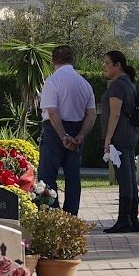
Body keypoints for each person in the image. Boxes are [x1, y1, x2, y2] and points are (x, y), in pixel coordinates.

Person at [37, 45, 96, 216]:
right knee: (73, 177)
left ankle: (51, 214)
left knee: (47, 176)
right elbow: (91, 114)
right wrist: (80, 136)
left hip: (55, 130)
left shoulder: (52, 81)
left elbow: (53, 112)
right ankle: (71, 216)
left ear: (53, 60)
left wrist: (63, 136)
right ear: (73, 59)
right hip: (77, 128)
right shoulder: (84, 83)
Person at [100, 50, 139, 234]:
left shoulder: (117, 85)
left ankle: (125, 220)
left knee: (124, 177)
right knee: (129, 176)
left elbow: (115, 113)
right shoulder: (129, 83)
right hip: (130, 133)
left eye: (107, 63)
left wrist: (108, 138)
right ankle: (132, 219)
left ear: (118, 65)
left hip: (120, 135)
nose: (104, 67)